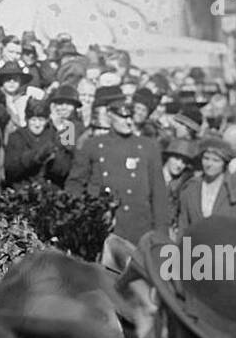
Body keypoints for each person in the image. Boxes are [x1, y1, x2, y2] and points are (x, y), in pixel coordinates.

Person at [65, 86, 170, 244]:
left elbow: (159, 194)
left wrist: (161, 234)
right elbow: (75, 184)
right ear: (109, 115)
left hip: (139, 229)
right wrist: (81, 220)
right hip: (103, 230)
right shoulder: (92, 145)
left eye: (131, 117)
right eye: (122, 117)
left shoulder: (148, 147)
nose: (128, 122)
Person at [174, 138, 236, 234]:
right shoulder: (190, 188)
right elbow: (183, 225)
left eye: (216, 160)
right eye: (206, 158)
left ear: (224, 163)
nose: (209, 164)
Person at [4, 97, 70, 188]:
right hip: (22, 189)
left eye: (41, 120)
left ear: (47, 120)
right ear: (27, 120)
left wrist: (53, 160)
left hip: (49, 189)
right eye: (33, 120)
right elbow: (10, 170)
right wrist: (36, 157)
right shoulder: (16, 137)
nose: (37, 124)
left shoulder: (54, 137)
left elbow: (64, 170)